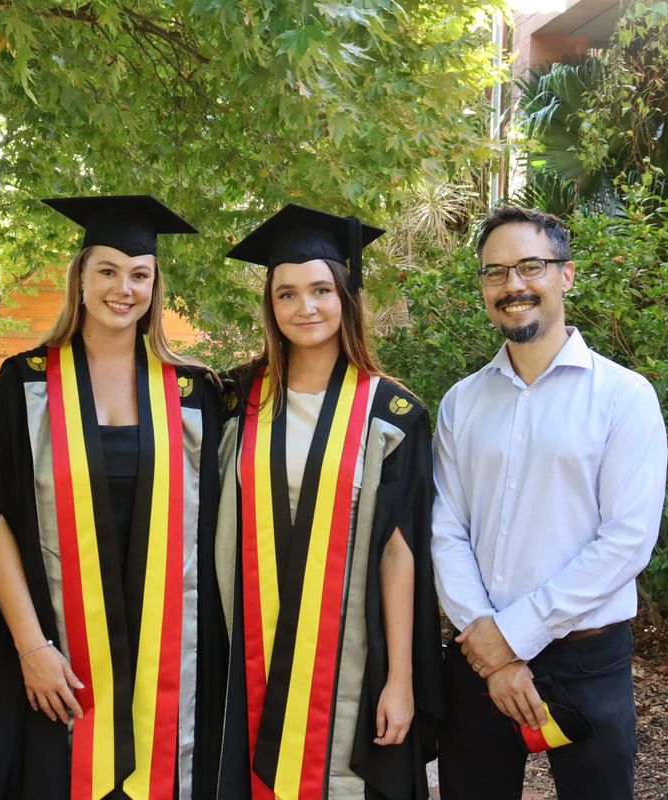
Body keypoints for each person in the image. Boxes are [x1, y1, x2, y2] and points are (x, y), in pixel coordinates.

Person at [0, 195, 226, 799]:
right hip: (57, 656)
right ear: (80, 278)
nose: (123, 288)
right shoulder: (26, 384)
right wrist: (30, 646)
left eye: (139, 274)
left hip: (171, 663)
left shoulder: (196, 395)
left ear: (155, 287)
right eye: (108, 271)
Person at [430, 205, 668, 800]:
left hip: (585, 661)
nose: (512, 284)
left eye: (530, 266)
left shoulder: (624, 396)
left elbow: (627, 540)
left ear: (566, 274)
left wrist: (512, 638)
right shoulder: (461, 403)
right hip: (478, 658)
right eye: (495, 271)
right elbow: (445, 530)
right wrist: (491, 647)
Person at [215, 204, 442, 800]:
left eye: (320, 290)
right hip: (247, 650)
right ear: (270, 306)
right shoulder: (233, 399)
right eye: (286, 294)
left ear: (345, 296)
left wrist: (401, 679)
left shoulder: (391, 416)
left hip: (348, 658)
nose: (305, 307)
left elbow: (400, 553)